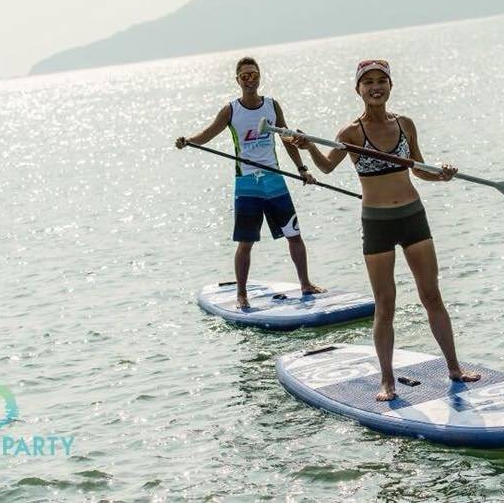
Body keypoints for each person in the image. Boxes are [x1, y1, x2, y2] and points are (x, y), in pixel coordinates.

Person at [287, 59, 480, 401]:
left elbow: (419, 169)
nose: (375, 86)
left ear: (390, 85)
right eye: (368, 82)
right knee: (385, 304)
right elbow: (326, 168)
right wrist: (309, 147)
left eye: (381, 81)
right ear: (358, 89)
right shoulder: (349, 133)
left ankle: (454, 366)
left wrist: (443, 173)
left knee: (431, 295)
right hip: (376, 223)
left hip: (413, 216)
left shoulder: (405, 124)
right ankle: (387, 380)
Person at [175, 57, 325, 309]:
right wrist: (187, 140)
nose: (250, 80)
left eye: (253, 75)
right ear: (237, 80)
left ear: (259, 77)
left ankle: (306, 283)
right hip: (247, 184)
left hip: (274, 180)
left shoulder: (272, 106)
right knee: (246, 243)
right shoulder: (231, 110)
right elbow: (207, 134)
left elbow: (287, 138)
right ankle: (241, 295)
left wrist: (302, 169)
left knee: (294, 235)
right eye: (244, 76)